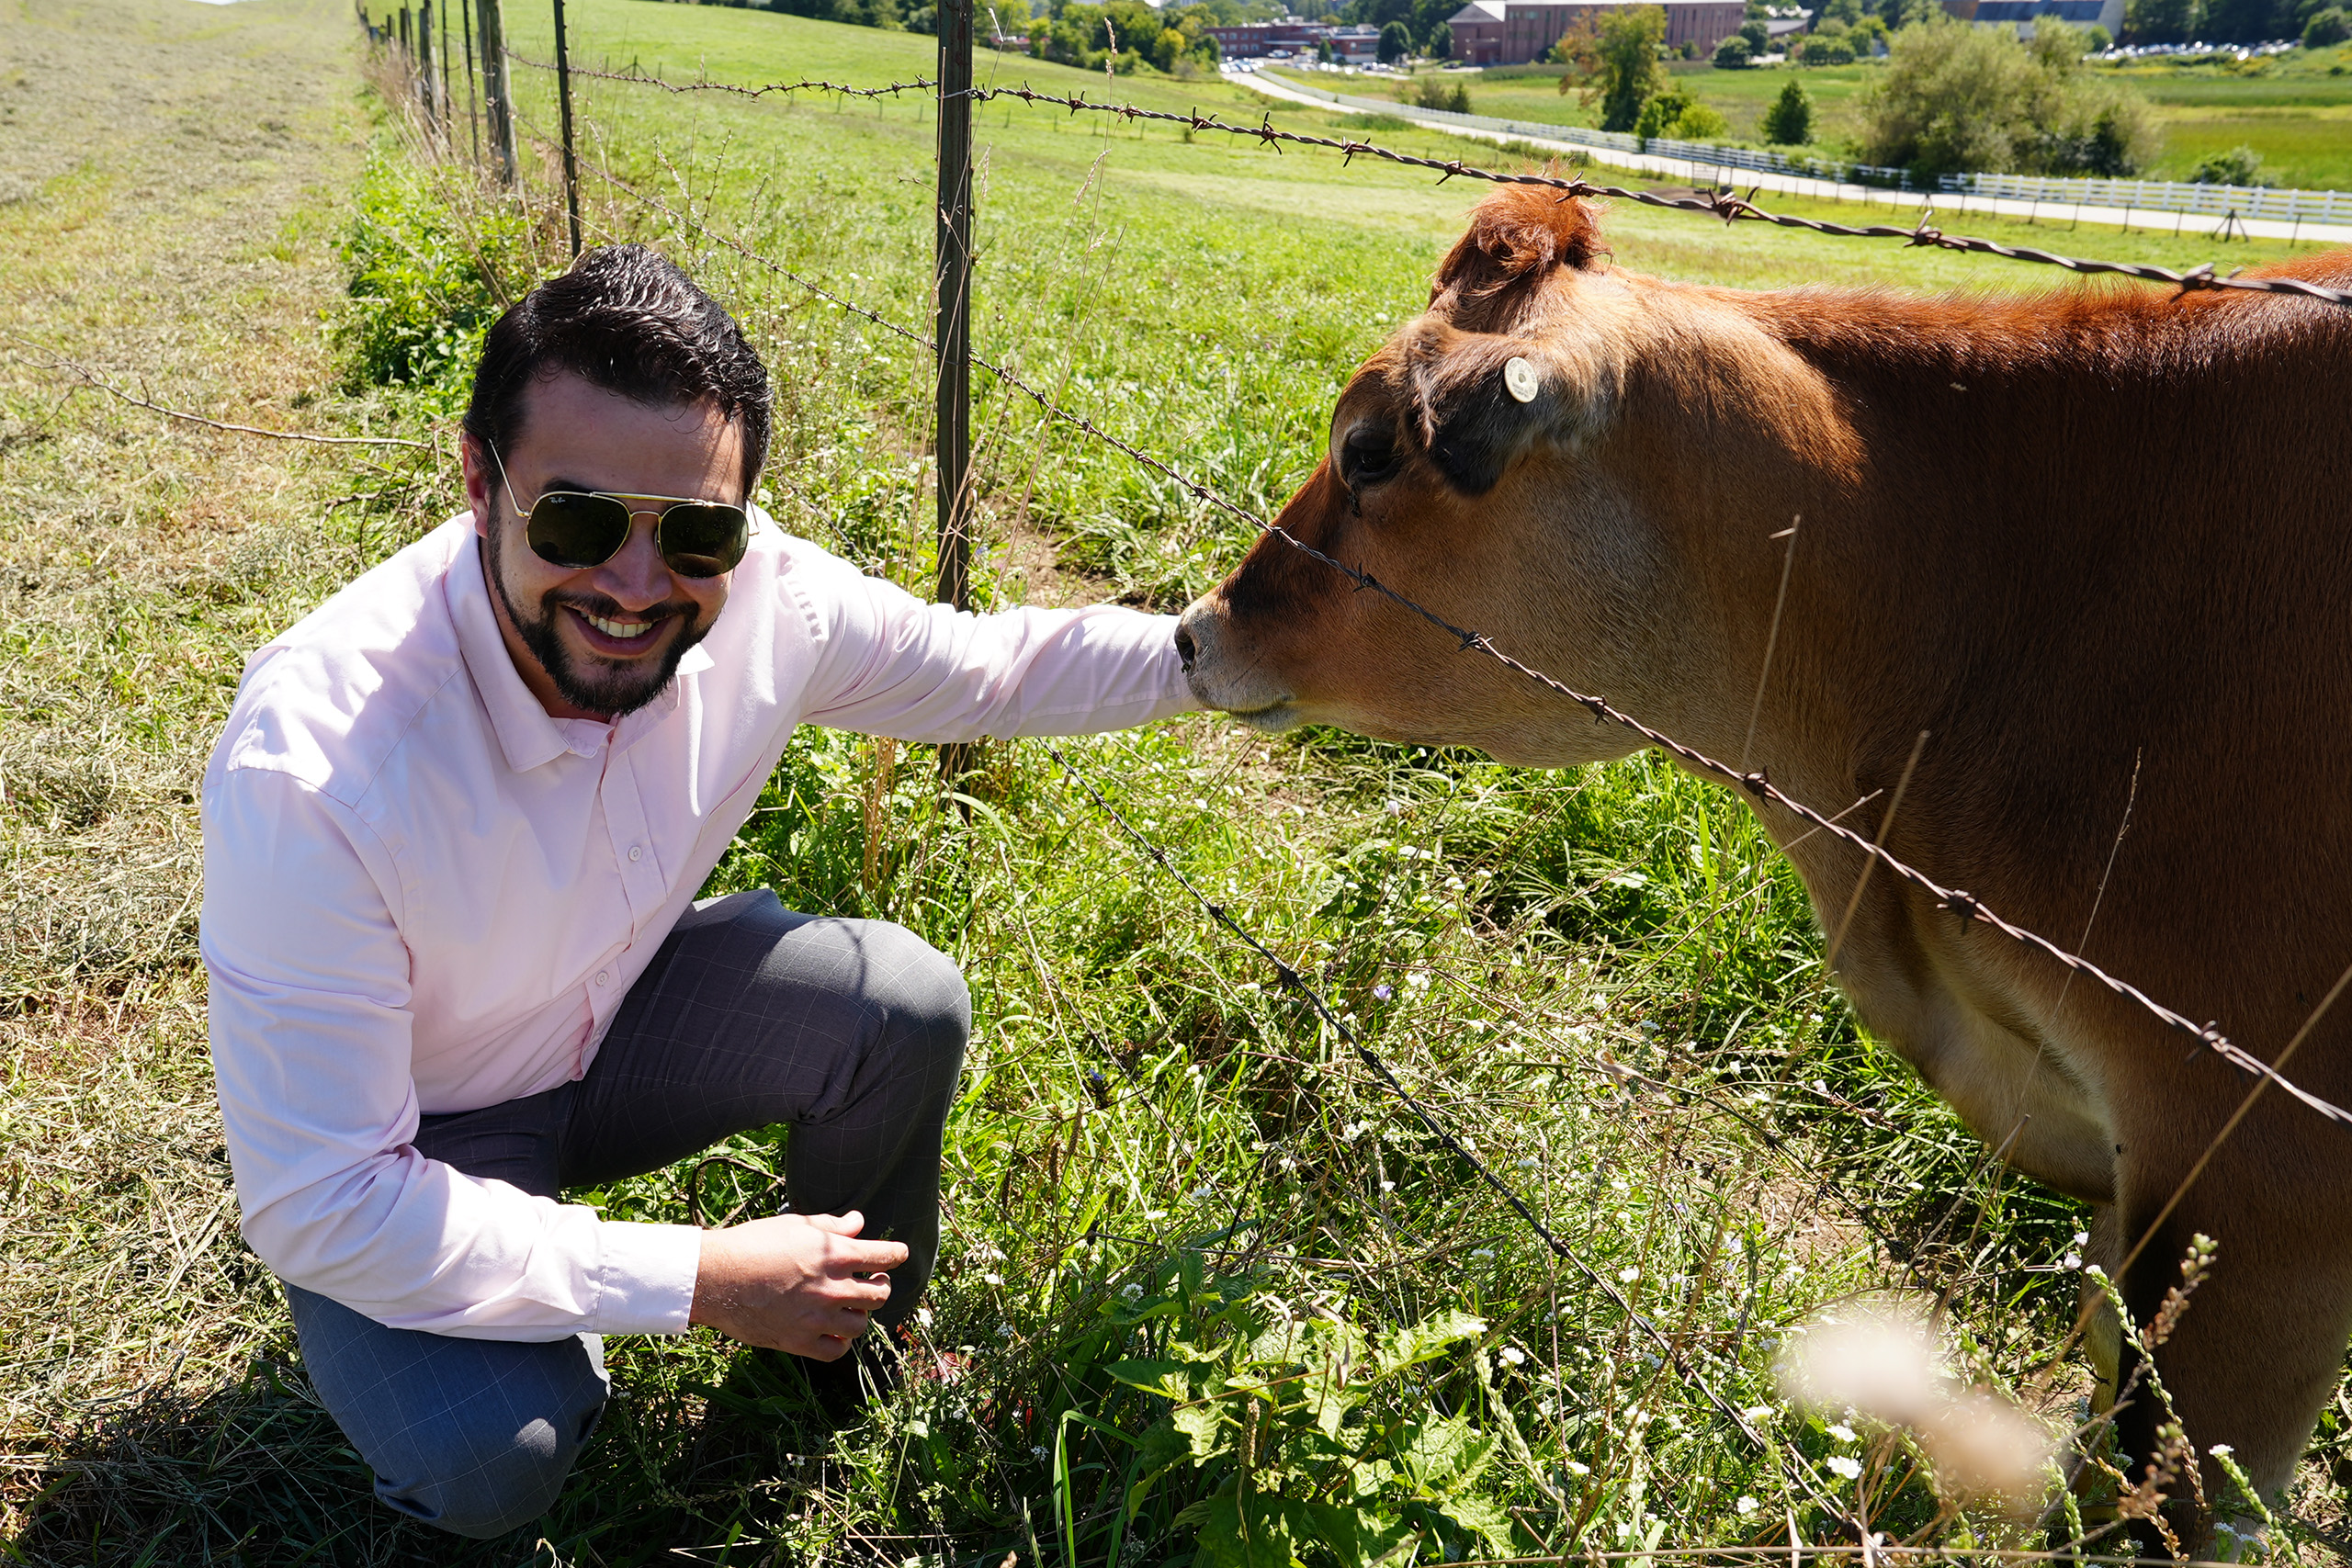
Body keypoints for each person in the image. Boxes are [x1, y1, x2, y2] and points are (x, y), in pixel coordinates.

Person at [198, 245, 1194, 1539]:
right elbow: (322, 1205)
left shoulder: (768, 595)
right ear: (475, 480)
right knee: (492, 1456)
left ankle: (850, 1351)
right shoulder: (318, 767)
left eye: (698, 532)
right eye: (576, 520)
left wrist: (1225, 656)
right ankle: (529, 1358)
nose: (633, 582)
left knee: (898, 1002)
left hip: (610, 1031)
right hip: (416, 1133)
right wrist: (695, 1277)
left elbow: (991, 671)